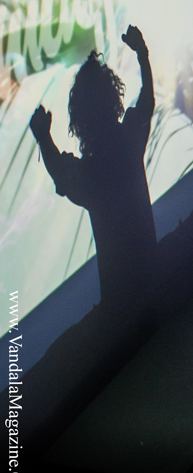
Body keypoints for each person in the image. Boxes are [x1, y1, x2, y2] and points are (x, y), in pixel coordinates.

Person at [30, 25, 156, 307]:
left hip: (120, 307)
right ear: (113, 99)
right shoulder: (130, 140)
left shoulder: (89, 177)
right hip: (154, 286)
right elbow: (148, 99)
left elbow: (60, 172)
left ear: (79, 118)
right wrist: (142, 54)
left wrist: (43, 137)